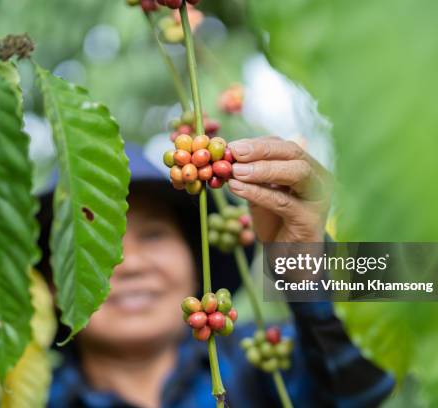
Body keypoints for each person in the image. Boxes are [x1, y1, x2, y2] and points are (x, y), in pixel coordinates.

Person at [44, 137, 395, 408]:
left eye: (153, 235)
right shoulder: (23, 398)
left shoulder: (264, 361)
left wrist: (306, 266)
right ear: (52, 284)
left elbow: (371, 375)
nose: (132, 264)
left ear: (194, 261)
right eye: (96, 245)